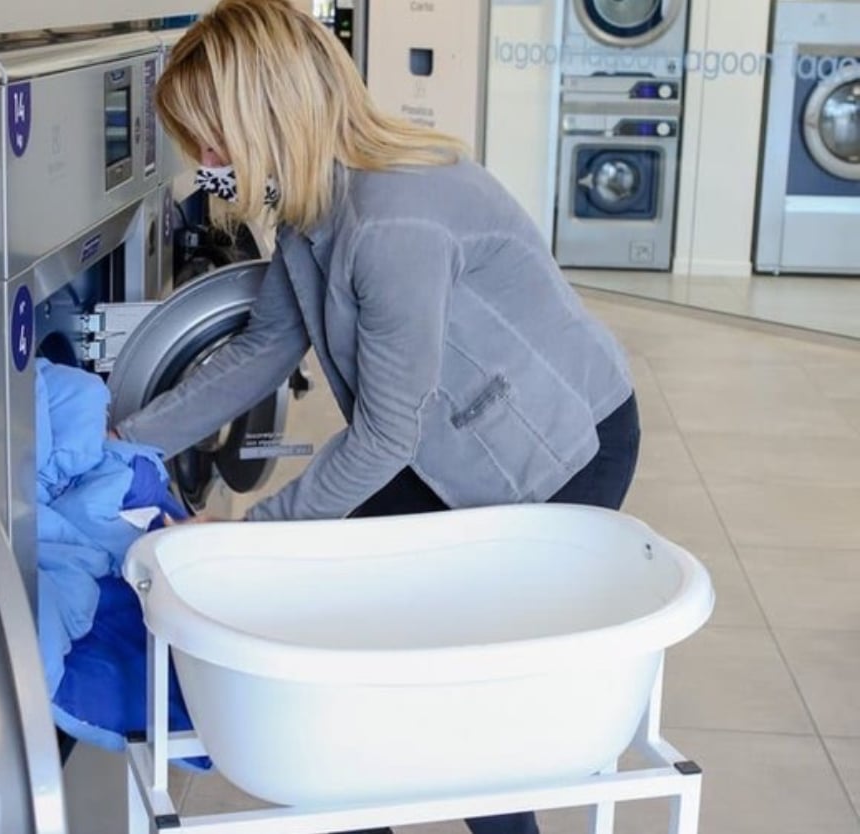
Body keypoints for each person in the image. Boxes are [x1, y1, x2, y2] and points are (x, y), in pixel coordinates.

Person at [112, 2, 641, 832]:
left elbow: (387, 434)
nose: (207, 165)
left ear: (268, 114)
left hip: (559, 451)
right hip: (437, 441)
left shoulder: (393, 220)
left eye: (213, 142)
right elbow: (263, 350)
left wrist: (246, 539)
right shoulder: (310, 205)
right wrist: (120, 446)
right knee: (348, 663)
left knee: (460, 694)